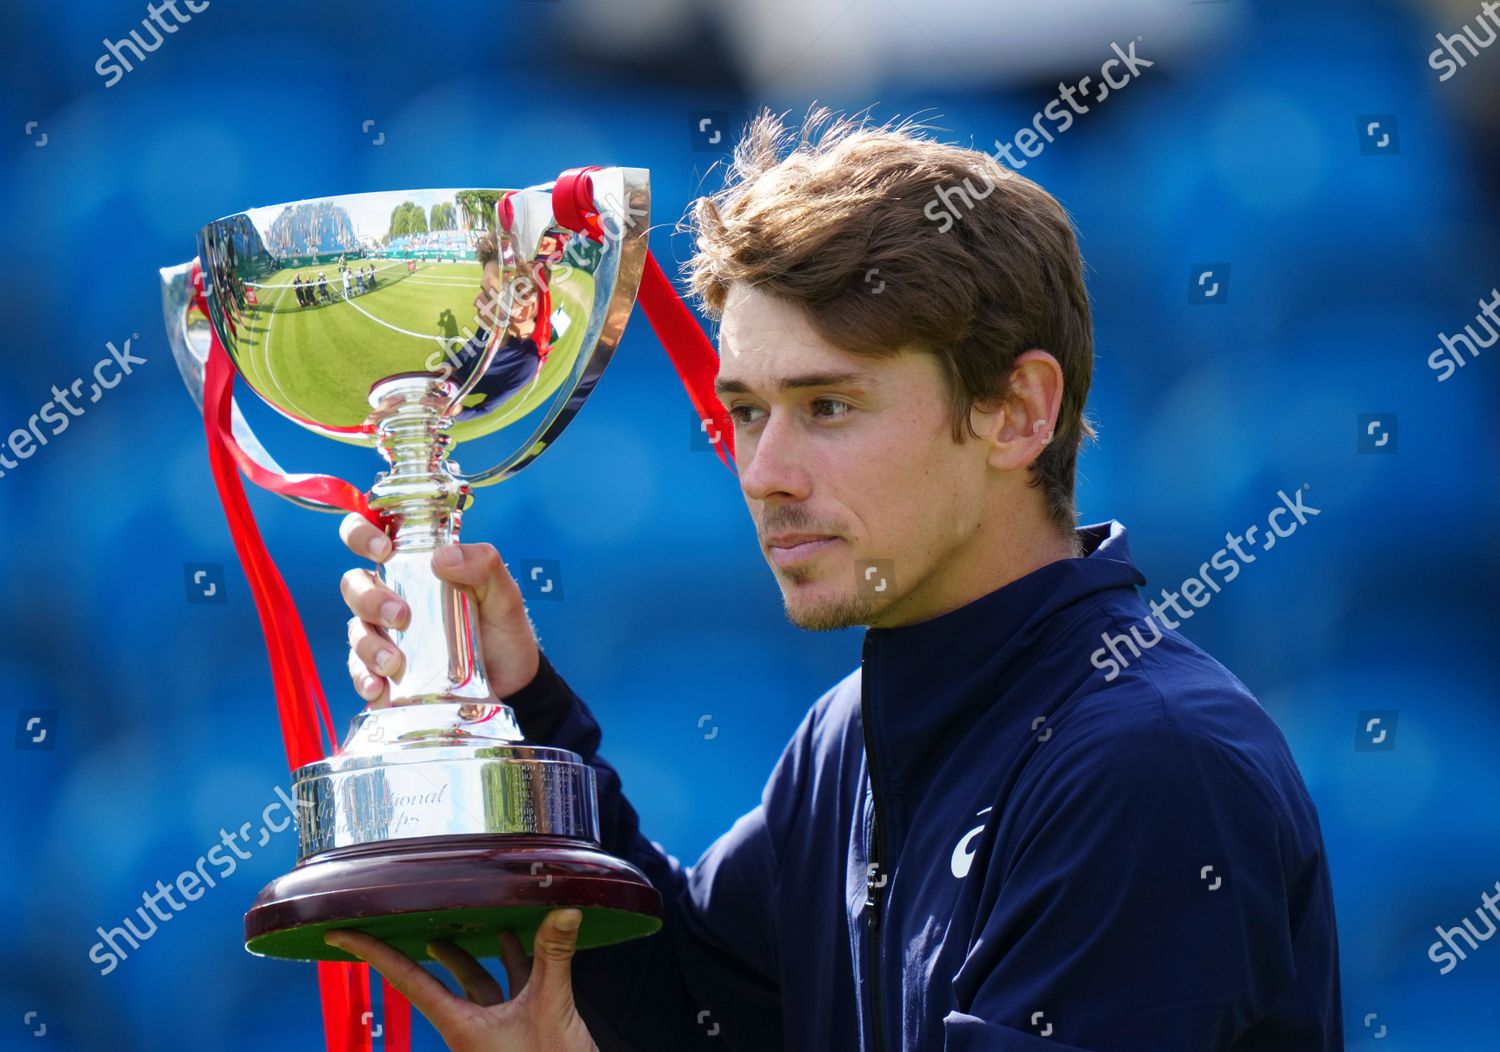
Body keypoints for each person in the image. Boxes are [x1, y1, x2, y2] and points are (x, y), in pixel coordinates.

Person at [329, 109, 1342, 1051]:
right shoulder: (847, 735)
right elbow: (699, 1010)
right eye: (747, 413)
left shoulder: (1151, 766)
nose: (764, 473)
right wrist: (509, 705)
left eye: (826, 406)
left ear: (1017, 410)